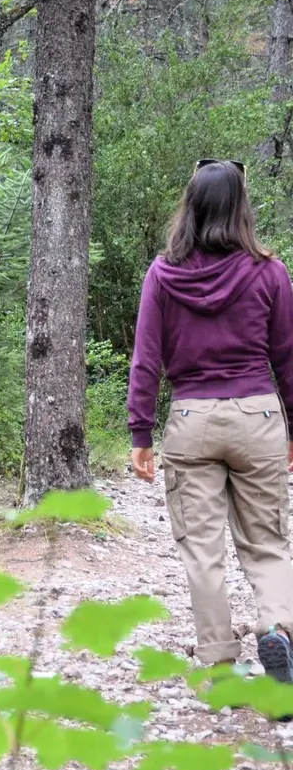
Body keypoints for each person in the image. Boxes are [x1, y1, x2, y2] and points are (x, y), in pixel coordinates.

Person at [128, 159, 293, 681]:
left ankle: (219, 658)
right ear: (241, 208)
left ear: (191, 208)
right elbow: (288, 357)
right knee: (266, 542)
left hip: (193, 418)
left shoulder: (164, 273)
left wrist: (141, 432)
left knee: (202, 548)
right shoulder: (270, 271)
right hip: (258, 415)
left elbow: (146, 357)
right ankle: (276, 631)